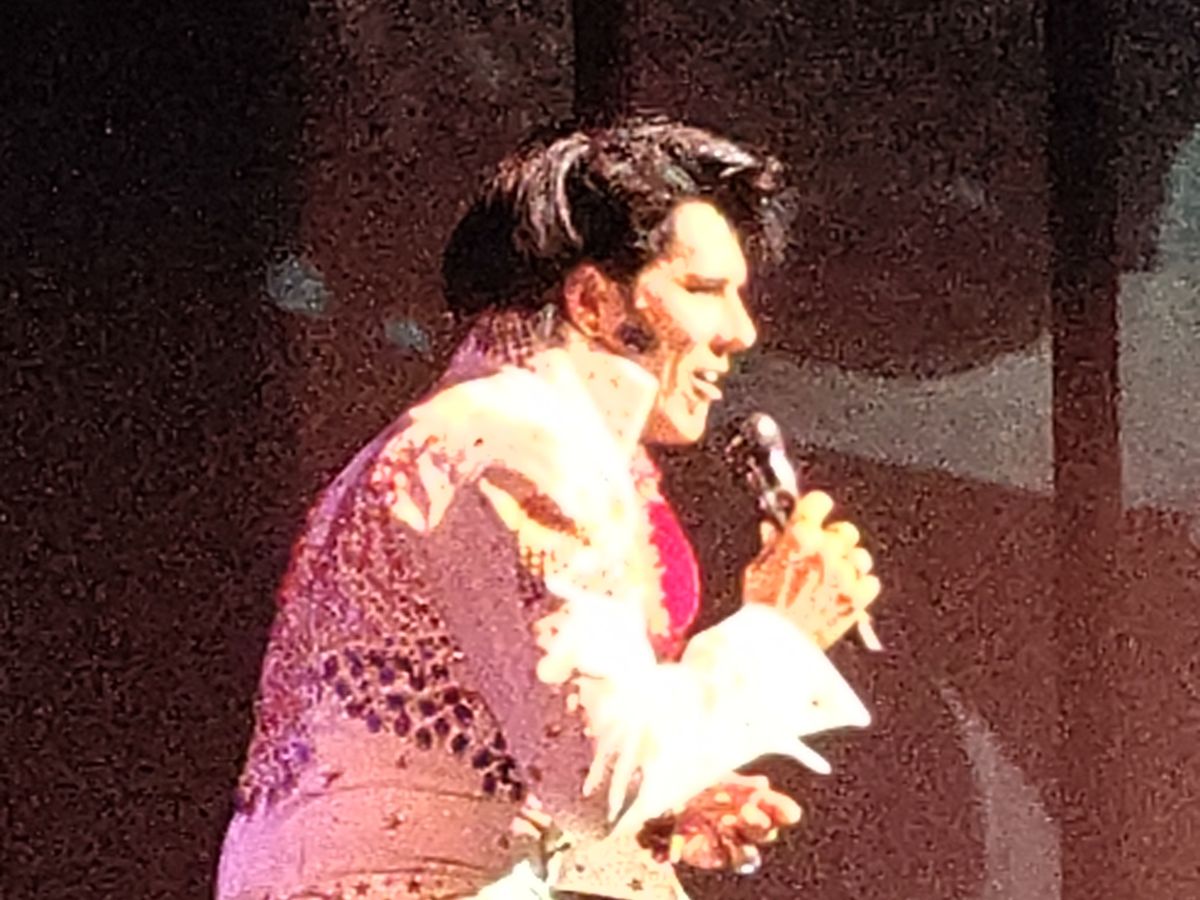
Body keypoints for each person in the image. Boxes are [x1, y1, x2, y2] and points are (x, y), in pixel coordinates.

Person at [217, 117, 883, 900]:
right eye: (705, 290)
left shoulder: (470, 427)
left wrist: (659, 814)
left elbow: (454, 761)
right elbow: (598, 774)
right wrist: (778, 630)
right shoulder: (525, 445)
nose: (740, 331)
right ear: (593, 299)